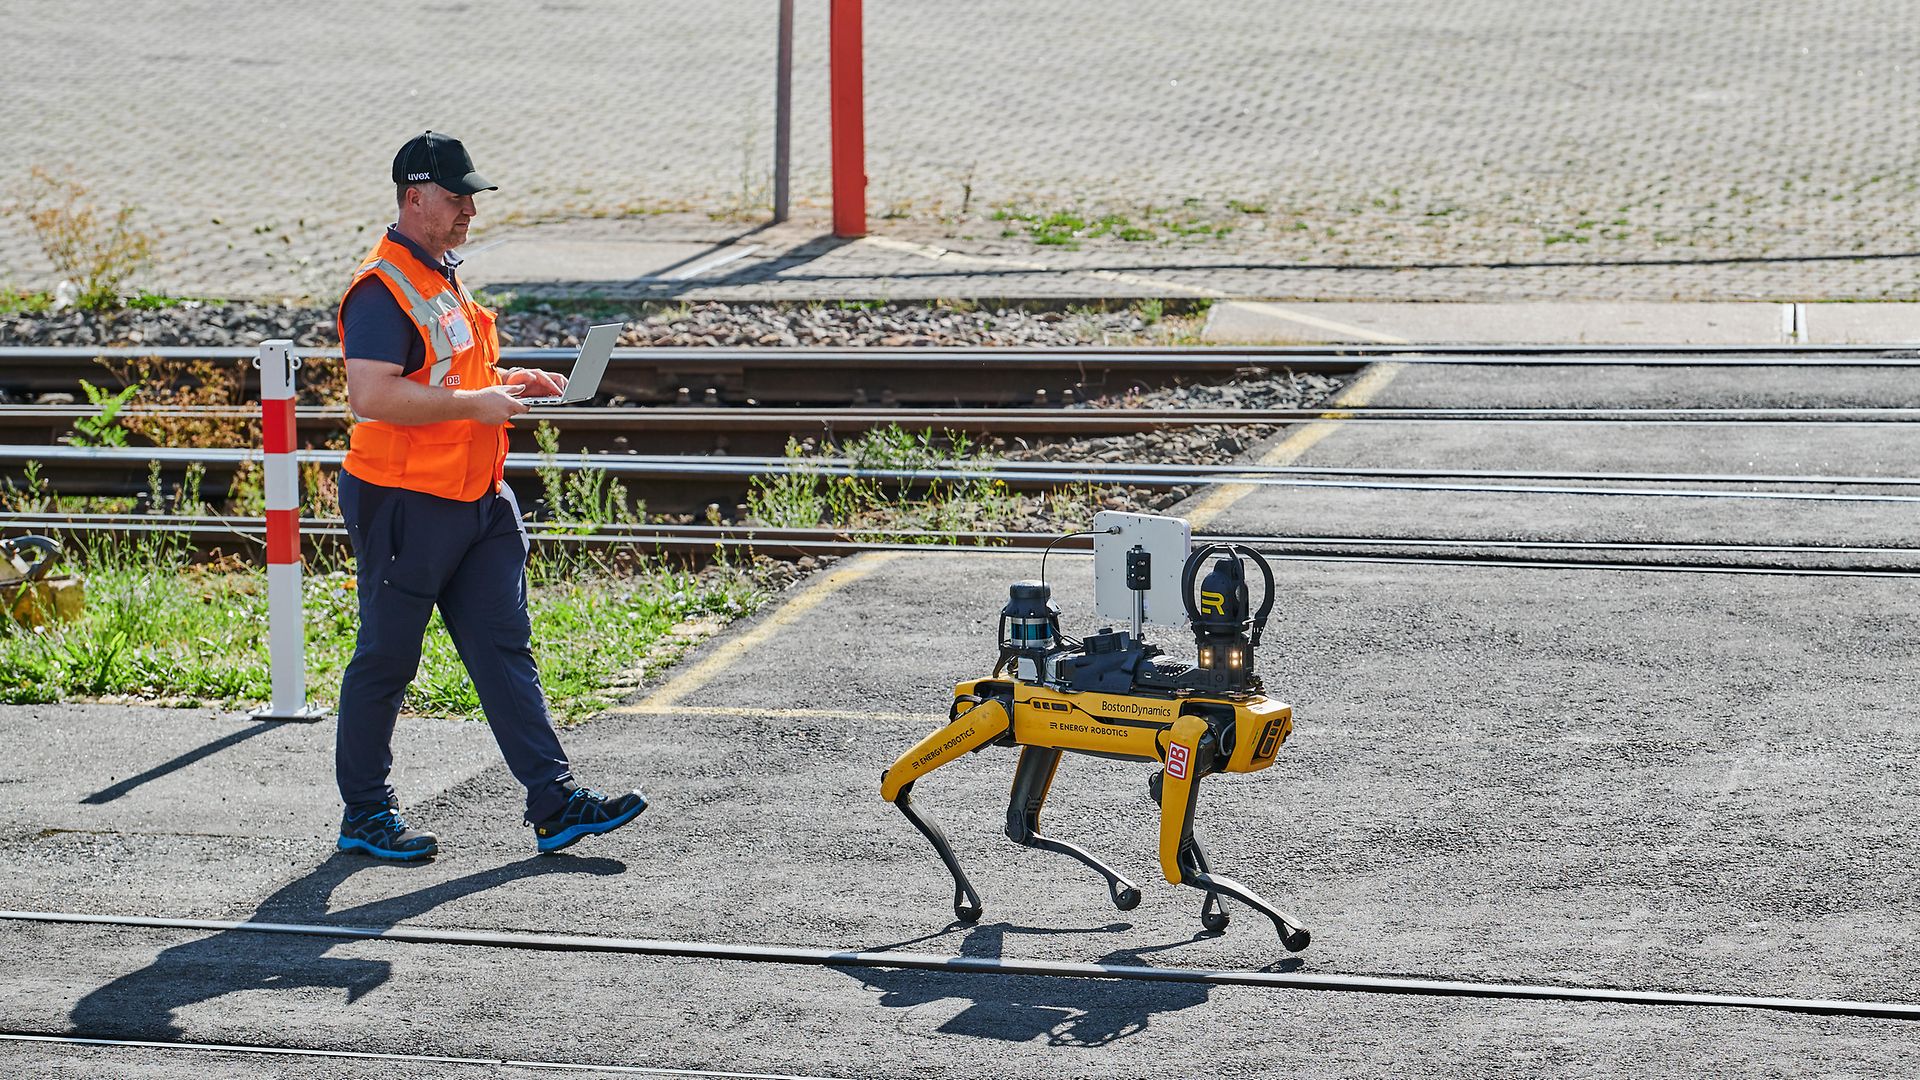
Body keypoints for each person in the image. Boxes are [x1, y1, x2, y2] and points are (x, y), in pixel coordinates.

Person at [332, 130, 644, 860]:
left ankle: (555, 801)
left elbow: (447, 374)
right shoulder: (382, 286)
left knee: (505, 649)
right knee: (386, 659)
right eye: (457, 195)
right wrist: (479, 405)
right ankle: (366, 814)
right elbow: (373, 395)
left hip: (476, 497)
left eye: (472, 194)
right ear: (415, 197)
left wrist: (510, 381)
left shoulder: (438, 271)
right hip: (405, 501)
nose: (471, 207)